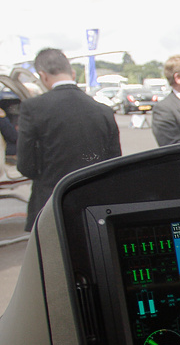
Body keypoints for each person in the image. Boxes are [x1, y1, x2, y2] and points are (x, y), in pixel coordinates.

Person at [16, 48, 120, 232]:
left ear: (42, 76)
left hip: (51, 204)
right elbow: (114, 161)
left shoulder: (32, 108)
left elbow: (26, 165)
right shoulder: (103, 110)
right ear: (72, 73)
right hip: (94, 205)